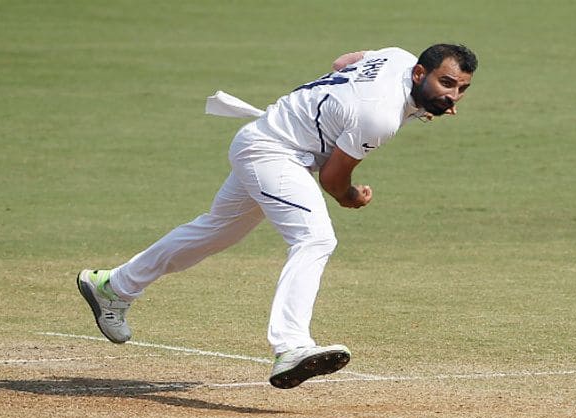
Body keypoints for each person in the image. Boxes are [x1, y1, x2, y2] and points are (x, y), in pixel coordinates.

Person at [77, 44, 478, 389]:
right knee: (315, 239)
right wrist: (351, 197)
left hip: (270, 138)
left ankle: (114, 285)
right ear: (419, 72)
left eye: (462, 89)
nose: (454, 97)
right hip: (273, 152)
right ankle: (290, 347)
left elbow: (342, 62)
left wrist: (343, 108)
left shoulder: (396, 56)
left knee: (214, 233)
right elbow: (334, 177)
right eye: (446, 84)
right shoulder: (380, 116)